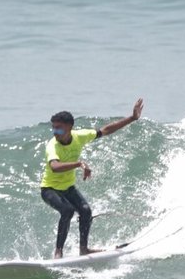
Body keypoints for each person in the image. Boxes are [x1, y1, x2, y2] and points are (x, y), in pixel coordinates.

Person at [41, 98, 144, 258]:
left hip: (67, 188)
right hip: (49, 189)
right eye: (53, 129)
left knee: (86, 211)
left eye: (59, 129)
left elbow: (106, 130)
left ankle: (84, 249)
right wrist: (79, 164)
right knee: (67, 211)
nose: (55, 133)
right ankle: (58, 252)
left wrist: (132, 118)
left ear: (70, 128)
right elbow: (54, 167)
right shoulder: (52, 145)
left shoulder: (79, 136)